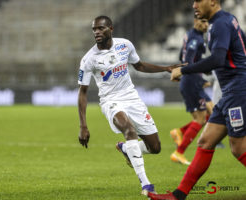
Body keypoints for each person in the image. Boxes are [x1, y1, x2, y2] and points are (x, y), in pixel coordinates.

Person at [148, 0, 246, 199]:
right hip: (230, 91)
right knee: (205, 142)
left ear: (212, 1)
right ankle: (178, 195)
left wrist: (183, 70)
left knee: (238, 148)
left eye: (198, 0)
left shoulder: (219, 24)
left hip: (238, 90)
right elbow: (226, 57)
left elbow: (218, 59)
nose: (193, 5)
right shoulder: (226, 20)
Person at [77, 15, 182, 196]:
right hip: (111, 101)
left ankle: (126, 148)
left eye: (101, 28)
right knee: (128, 130)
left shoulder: (125, 45)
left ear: (111, 28)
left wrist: (165, 68)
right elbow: (82, 92)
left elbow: (139, 66)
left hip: (132, 98)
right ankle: (146, 184)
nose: (97, 32)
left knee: (155, 148)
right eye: (94, 29)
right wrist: (83, 125)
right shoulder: (89, 59)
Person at [169, 16, 214, 165]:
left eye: (207, 22)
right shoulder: (197, 39)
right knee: (201, 119)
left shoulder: (189, 34)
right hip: (192, 81)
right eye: (203, 22)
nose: (205, 25)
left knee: (212, 112)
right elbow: (188, 60)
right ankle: (178, 152)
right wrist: (199, 79)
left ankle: (180, 132)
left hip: (191, 80)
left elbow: (181, 56)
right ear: (195, 21)